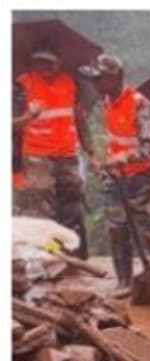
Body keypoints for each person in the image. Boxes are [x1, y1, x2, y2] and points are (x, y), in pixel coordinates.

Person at [80, 54, 150, 302]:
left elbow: (149, 150)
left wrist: (122, 158)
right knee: (117, 230)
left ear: (113, 78)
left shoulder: (140, 105)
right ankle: (124, 281)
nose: (94, 84)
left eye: (99, 78)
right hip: (116, 178)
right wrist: (105, 160)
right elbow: (114, 139)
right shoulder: (106, 102)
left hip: (144, 178)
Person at [15, 48, 91, 259]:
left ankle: (72, 255)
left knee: (72, 206)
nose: (45, 67)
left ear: (59, 63)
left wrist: (91, 152)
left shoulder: (69, 82)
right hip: (38, 156)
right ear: (33, 62)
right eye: (40, 62)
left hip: (67, 155)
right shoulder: (22, 84)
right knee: (42, 210)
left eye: (50, 62)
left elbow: (79, 119)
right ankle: (46, 259)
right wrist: (28, 116)